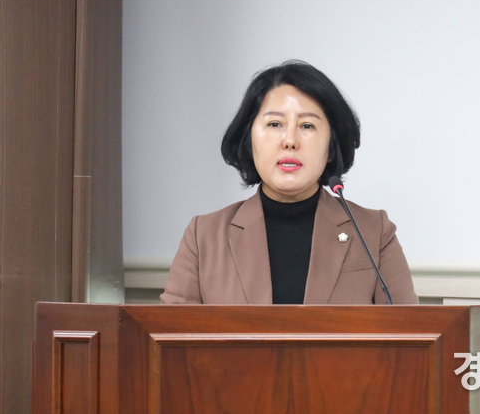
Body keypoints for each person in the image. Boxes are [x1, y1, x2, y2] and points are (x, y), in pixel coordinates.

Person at [160, 60, 418, 305]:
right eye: (274, 124)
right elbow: (170, 332)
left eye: (307, 126)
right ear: (249, 141)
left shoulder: (373, 232)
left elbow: (410, 330)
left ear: (331, 146)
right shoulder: (204, 236)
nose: (290, 141)